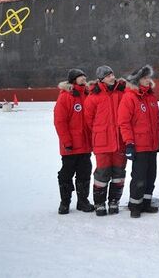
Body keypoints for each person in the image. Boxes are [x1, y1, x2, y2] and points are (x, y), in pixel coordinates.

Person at [117, 65, 159, 218]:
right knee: (139, 176)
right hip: (139, 145)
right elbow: (124, 123)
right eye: (145, 78)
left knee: (151, 175)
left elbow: (157, 122)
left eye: (149, 77)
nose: (148, 81)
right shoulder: (129, 97)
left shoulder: (151, 97)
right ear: (137, 80)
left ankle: (146, 203)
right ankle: (135, 205)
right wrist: (129, 143)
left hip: (152, 144)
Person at [84, 65, 127, 216]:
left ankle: (114, 201)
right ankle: (99, 203)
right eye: (108, 75)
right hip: (102, 141)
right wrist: (101, 132)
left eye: (112, 74)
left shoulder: (122, 92)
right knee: (102, 174)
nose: (112, 77)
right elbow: (88, 120)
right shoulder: (93, 97)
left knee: (119, 173)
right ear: (101, 78)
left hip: (120, 141)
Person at [53, 68, 95, 214]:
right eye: (80, 77)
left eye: (84, 76)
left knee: (84, 173)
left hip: (86, 145)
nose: (84, 78)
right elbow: (60, 122)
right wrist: (67, 142)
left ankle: (83, 201)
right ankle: (65, 202)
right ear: (73, 80)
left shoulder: (88, 94)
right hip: (70, 146)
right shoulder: (65, 97)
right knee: (66, 174)